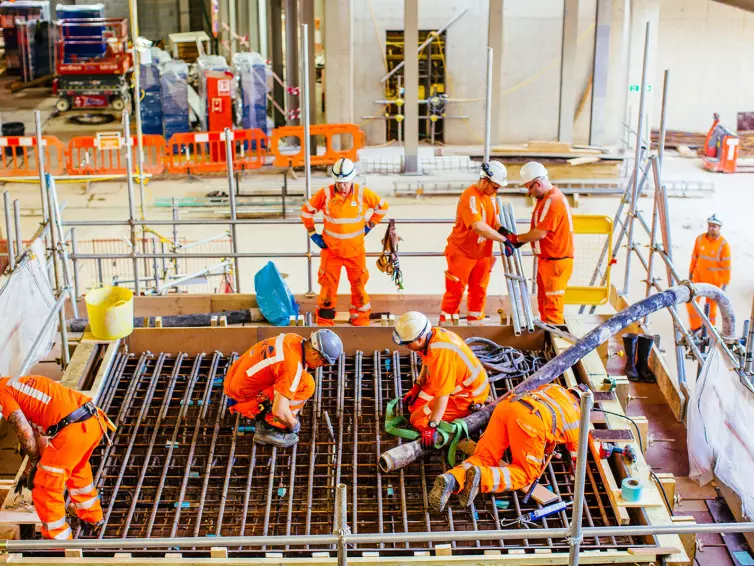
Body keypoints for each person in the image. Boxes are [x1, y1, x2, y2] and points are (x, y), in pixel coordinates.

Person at [428, 383, 583, 513]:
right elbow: (578, 457)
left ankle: (451, 479)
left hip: (509, 406)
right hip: (530, 422)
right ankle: (482, 478)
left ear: (572, 390)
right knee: (525, 473)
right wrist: (574, 471)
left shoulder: (554, 387)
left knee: (484, 457)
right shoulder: (577, 416)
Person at [0, 375, 116, 539]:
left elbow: (25, 433)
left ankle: (59, 541)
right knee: (77, 471)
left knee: (44, 486)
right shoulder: (19, 383)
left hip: (71, 432)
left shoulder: (2, 393)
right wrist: (33, 467)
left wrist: (35, 467)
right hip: (93, 421)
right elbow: (40, 433)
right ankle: (93, 517)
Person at [300, 158, 389, 326]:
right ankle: (325, 322)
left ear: (352, 179)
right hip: (331, 252)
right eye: (338, 183)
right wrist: (313, 234)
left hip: (355, 252)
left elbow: (382, 207)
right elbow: (306, 213)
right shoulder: (325, 194)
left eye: (345, 183)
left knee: (359, 287)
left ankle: (360, 320)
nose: (341, 186)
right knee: (327, 290)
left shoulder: (362, 193)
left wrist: (370, 225)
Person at [224, 329, 344, 447]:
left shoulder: (295, 339)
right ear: (314, 353)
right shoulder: (291, 366)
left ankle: (277, 418)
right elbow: (279, 411)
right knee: (307, 386)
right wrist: (294, 424)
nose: (322, 366)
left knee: (303, 379)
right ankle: (270, 428)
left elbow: (298, 370)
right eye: (324, 362)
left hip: (235, 378)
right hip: (242, 399)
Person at [392, 312, 490, 448]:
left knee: (417, 419)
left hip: (467, 395)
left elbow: (442, 397)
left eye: (407, 343)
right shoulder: (430, 336)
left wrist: (432, 425)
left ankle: (449, 434)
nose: (405, 346)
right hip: (453, 384)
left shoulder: (440, 356)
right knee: (413, 406)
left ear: (419, 339)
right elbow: (426, 362)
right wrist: (417, 386)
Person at [441, 161, 515, 325]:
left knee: (479, 292)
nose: (496, 190)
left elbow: (493, 219)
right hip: (462, 252)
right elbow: (478, 226)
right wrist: (503, 240)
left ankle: (475, 327)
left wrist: (506, 233)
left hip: (482, 254)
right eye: (495, 187)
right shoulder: (470, 197)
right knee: (455, 292)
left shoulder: (491, 196)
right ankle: (446, 328)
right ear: (484, 181)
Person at [500, 161, 574, 325]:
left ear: (538, 183)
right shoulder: (545, 199)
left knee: (553, 308)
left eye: (530, 188)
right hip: (548, 261)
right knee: (543, 303)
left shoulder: (553, 201)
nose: (529, 192)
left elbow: (540, 233)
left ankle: (555, 342)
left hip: (556, 263)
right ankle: (546, 337)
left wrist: (517, 240)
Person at [687, 214, 731, 333]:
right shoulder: (700, 239)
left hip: (714, 281)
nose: (712, 228)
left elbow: (726, 266)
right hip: (698, 277)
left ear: (719, 228)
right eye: (710, 225)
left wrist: (725, 284)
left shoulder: (723, 245)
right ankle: (696, 328)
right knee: (691, 303)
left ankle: (709, 330)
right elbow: (694, 258)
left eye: (714, 226)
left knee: (711, 309)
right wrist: (690, 273)